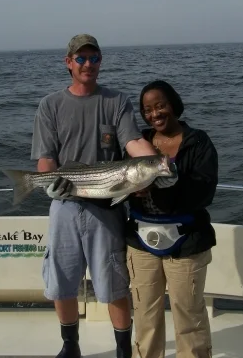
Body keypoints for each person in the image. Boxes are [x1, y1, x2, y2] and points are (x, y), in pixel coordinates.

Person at [30, 34, 173, 358]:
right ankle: (70, 345)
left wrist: (159, 164)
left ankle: (123, 350)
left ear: (100, 62)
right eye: (81, 58)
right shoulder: (50, 105)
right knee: (62, 280)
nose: (88, 64)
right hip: (65, 206)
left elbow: (133, 142)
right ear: (68, 63)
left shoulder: (116, 101)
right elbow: (46, 158)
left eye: (94, 58)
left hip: (107, 208)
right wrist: (48, 182)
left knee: (114, 283)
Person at [125, 80, 218, 358]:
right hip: (141, 241)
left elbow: (204, 192)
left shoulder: (198, 141)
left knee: (189, 313)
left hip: (187, 240)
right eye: (147, 110)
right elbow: (119, 180)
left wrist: (157, 187)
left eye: (160, 106)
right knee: (145, 313)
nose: (155, 114)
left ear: (173, 104)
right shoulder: (137, 143)